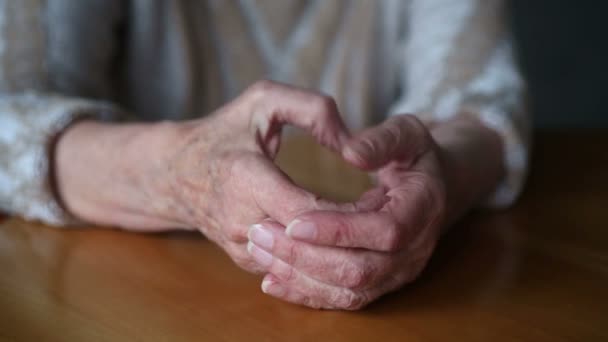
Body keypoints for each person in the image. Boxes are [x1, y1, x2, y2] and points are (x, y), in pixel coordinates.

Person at [0, 0, 529, 310]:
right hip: (118, 302)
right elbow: (10, 113)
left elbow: (482, 101)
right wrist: (177, 172)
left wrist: (444, 175)